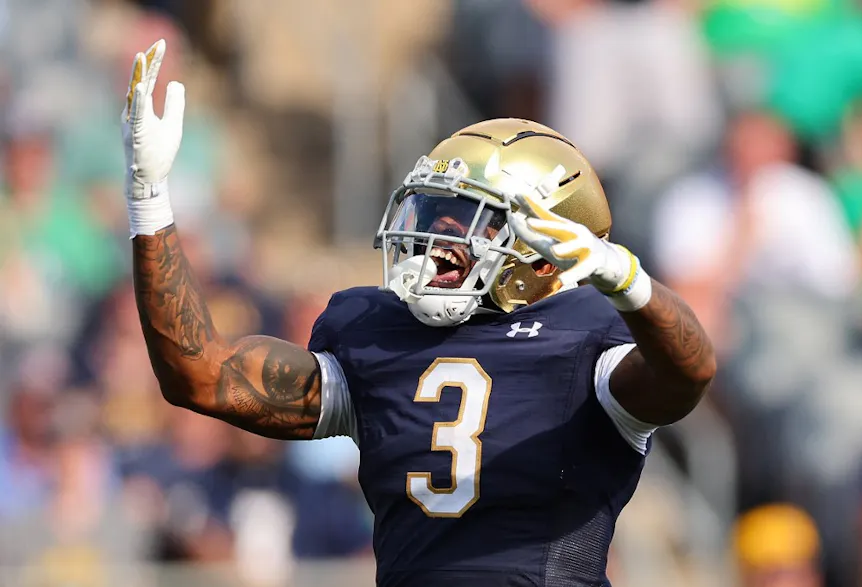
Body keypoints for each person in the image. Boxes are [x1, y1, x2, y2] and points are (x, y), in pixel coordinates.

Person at [122, 40, 715, 587]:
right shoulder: (376, 336)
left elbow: (688, 372)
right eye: (432, 212)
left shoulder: (586, 339)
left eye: (470, 218)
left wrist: (629, 282)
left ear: (544, 251)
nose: (437, 237)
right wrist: (149, 202)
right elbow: (199, 374)